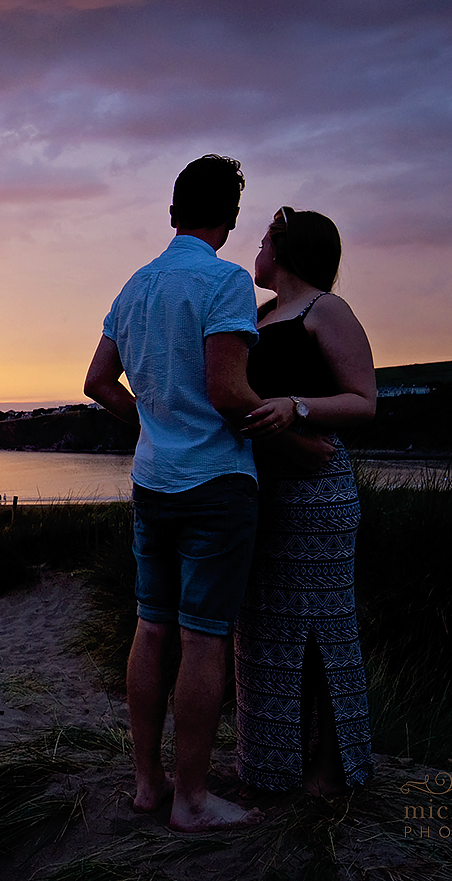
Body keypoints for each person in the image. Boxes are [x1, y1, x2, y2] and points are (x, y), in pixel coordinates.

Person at [84, 156, 329, 831]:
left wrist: (152, 419)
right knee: (202, 639)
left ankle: (147, 784)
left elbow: (99, 382)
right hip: (216, 485)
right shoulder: (223, 283)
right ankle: (191, 797)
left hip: (153, 482)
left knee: (151, 625)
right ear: (229, 219)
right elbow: (227, 391)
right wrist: (302, 444)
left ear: (171, 214)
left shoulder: (135, 286)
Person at [234, 206, 376, 795]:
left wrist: (298, 405)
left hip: (317, 491)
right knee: (268, 630)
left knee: (320, 629)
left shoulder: (326, 309)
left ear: (288, 248)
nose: (256, 250)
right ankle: (272, 765)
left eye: (264, 239)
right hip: (266, 487)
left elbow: (365, 400)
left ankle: (328, 767)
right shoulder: (261, 315)